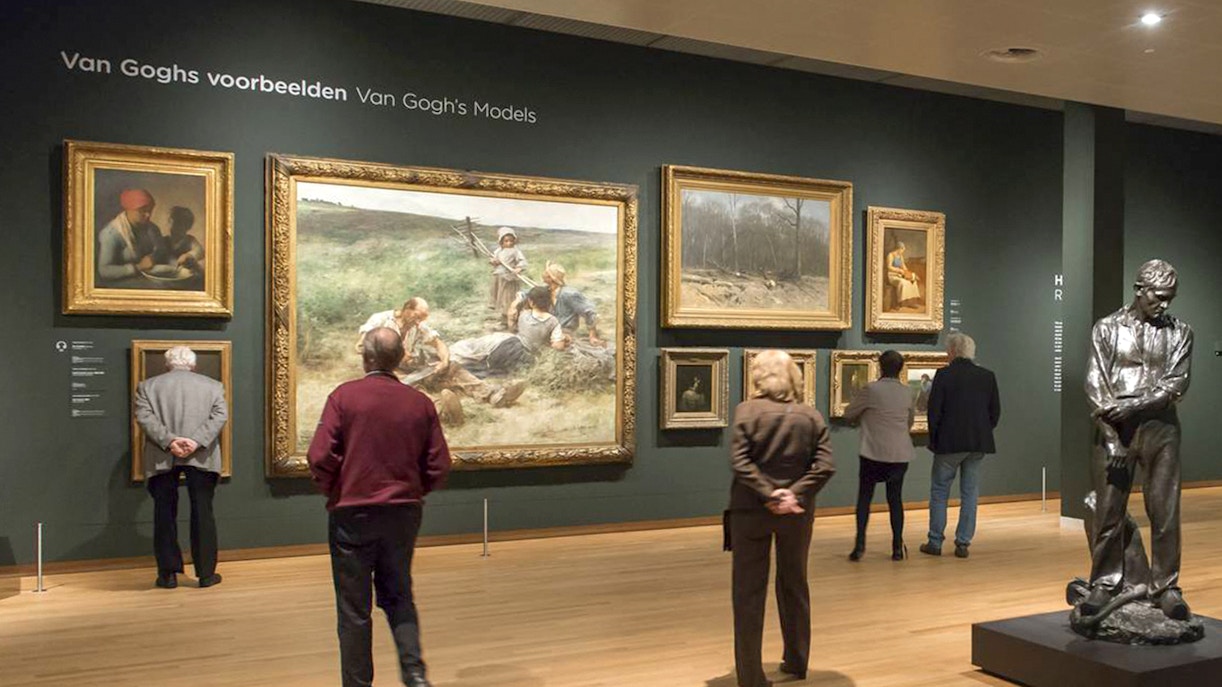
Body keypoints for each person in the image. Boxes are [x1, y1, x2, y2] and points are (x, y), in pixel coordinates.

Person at [308, 327, 453, 687]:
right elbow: (439, 464)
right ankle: (415, 674)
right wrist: (414, 491)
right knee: (399, 594)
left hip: (352, 514)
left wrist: (336, 489)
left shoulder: (344, 397)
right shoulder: (418, 402)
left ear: (366, 357)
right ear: (401, 358)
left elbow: (319, 456)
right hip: (403, 513)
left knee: (354, 609)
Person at [1080, 259, 1193, 620]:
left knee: (1165, 513)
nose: (1165, 304)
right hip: (1115, 431)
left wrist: (1135, 406)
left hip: (1161, 431)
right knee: (1109, 511)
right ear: (1140, 290)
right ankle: (1104, 582)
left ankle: (1166, 587)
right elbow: (1095, 383)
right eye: (1159, 297)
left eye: (1170, 298)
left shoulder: (1181, 332)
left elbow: (1176, 384)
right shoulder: (1107, 329)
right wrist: (1113, 435)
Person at [728, 350, 836, 687]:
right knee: (795, 583)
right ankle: (797, 660)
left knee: (748, 592)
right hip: (796, 514)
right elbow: (825, 466)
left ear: (759, 376)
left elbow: (740, 462)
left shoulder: (747, 412)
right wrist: (794, 493)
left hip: (750, 512)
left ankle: (751, 675)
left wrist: (768, 492)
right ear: (793, 377)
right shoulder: (811, 416)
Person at [133, 345, 228, 589]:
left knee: (163, 513)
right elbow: (219, 416)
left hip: (162, 456)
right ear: (193, 365)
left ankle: (168, 575)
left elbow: (144, 418)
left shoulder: (148, 386)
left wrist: (170, 441)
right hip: (203, 456)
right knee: (203, 513)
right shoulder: (213, 386)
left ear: (167, 364)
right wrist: (195, 441)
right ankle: (206, 574)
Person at [355, 297, 524, 409]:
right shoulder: (381, 319)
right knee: (409, 388)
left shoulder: (418, 325)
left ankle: (493, 395)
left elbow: (438, 343)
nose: (419, 321)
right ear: (407, 308)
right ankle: (441, 411)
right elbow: (363, 344)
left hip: (411, 368)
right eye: (417, 316)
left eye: (422, 318)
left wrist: (444, 360)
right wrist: (392, 353)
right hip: (388, 371)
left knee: (453, 368)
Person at [919, 332, 1000, 559]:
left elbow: (934, 412)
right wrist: (981, 432)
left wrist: (934, 439)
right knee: (970, 492)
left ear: (952, 352)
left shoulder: (943, 376)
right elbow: (995, 413)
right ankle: (963, 542)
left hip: (948, 443)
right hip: (977, 444)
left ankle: (935, 541)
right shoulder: (987, 376)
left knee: (939, 491)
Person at [843, 350, 915, 562]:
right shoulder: (907, 392)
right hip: (900, 453)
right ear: (900, 369)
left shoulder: (871, 389)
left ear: (880, 366)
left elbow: (849, 412)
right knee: (895, 500)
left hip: (873, 452)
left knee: (865, 498)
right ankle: (897, 548)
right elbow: (909, 422)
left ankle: (859, 546)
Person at [508, 261, 603, 346]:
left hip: (564, 331)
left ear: (551, 277)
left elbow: (589, 312)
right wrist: (514, 305)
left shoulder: (569, 294)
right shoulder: (547, 290)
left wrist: (592, 336)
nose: (543, 274)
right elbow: (526, 293)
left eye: (546, 273)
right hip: (548, 329)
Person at [96, 188, 166, 284]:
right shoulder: (111, 234)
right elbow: (104, 270)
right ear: (129, 209)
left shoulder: (152, 228)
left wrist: (153, 257)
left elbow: (162, 249)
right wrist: (138, 267)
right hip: (121, 284)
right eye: (142, 211)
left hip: (149, 279)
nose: (148, 215)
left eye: (150, 210)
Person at [489, 227, 527, 328]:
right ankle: (504, 320)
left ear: (514, 240)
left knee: (509, 299)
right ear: (501, 241)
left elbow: (522, 262)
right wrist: (494, 262)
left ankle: (512, 320)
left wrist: (519, 268)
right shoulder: (498, 251)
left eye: (511, 240)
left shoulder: (515, 251)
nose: (509, 243)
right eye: (506, 241)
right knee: (501, 300)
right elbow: (493, 261)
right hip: (499, 278)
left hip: (510, 279)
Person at [885, 241, 921, 308]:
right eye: (902, 250)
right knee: (902, 283)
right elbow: (889, 267)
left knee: (912, 281)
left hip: (900, 275)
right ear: (898, 248)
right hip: (892, 276)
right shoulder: (890, 255)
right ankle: (899, 303)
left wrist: (908, 273)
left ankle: (911, 302)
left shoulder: (900, 256)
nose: (902, 251)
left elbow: (903, 265)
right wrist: (899, 270)